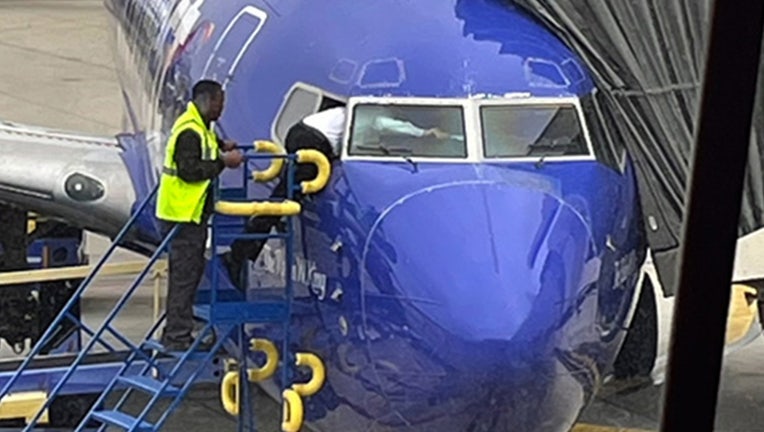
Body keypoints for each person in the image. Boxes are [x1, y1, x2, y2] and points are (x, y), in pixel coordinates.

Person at [221, 105, 448, 289]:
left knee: (289, 192)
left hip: (303, 133)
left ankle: (247, 247)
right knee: (287, 194)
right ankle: (240, 252)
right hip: (310, 139)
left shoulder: (356, 116)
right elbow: (391, 126)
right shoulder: (372, 118)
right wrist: (424, 133)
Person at [155, 79, 244, 350]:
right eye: (219, 102)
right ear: (207, 100)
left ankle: (176, 331)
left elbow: (205, 143)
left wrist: (221, 144)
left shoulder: (199, 126)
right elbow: (189, 170)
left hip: (190, 215)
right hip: (182, 216)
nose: (222, 108)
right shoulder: (189, 132)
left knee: (190, 273)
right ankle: (177, 337)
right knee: (184, 276)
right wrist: (222, 163)